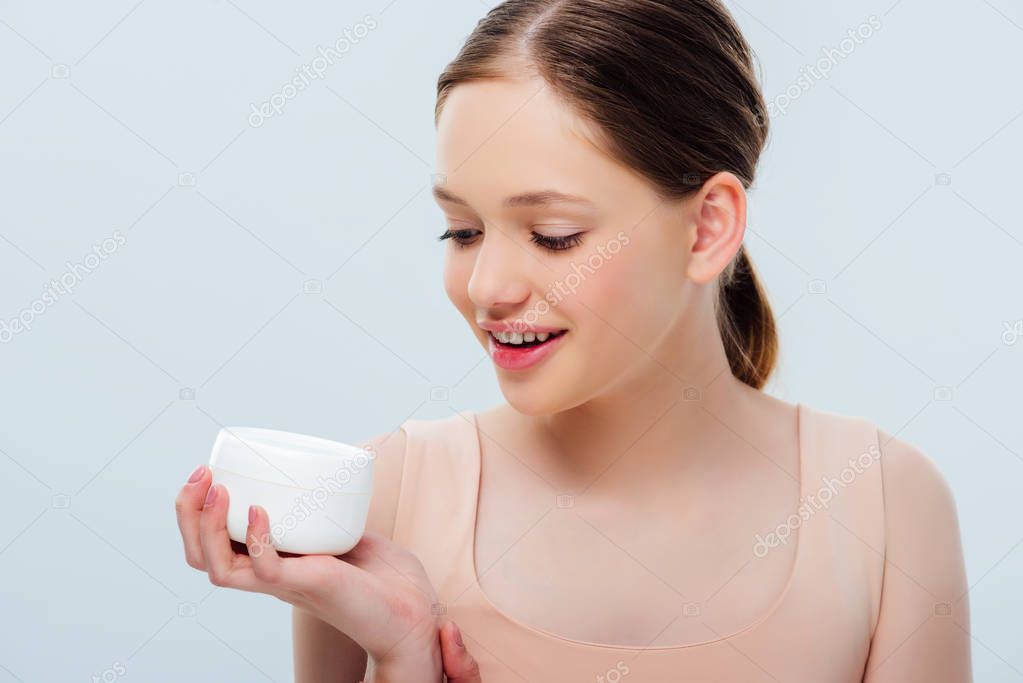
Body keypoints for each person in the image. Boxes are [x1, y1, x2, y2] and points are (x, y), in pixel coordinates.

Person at [175, 1, 971, 680]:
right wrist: (405, 655)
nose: (487, 285)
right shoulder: (384, 501)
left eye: (552, 235)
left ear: (707, 226)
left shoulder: (886, 507)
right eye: (462, 229)